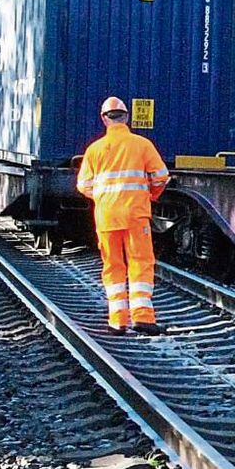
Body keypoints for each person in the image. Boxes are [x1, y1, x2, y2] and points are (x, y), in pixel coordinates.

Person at [76, 97, 170, 335]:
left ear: (104, 119)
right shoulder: (142, 144)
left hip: (107, 217)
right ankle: (143, 318)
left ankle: (117, 320)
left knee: (113, 265)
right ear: (126, 117)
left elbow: (83, 185)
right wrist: (150, 195)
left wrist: (102, 198)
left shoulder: (94, 149)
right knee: (140, 262)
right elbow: (161, 176)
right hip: (136, 215)